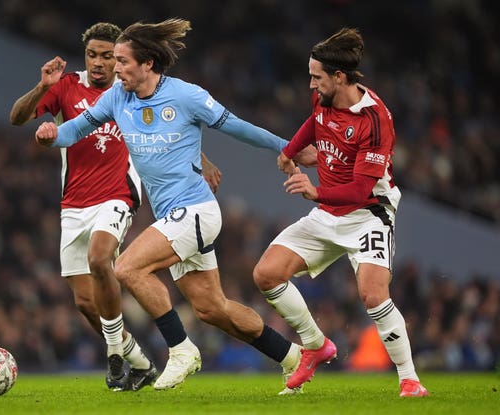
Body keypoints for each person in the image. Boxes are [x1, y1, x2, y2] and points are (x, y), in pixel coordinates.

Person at [34, 18, 316, 393]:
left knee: (127, 267)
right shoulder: (117, 97)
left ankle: (181, 350)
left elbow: (240, 127)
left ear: (148, 63)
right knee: (212, 308)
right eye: (114, 60)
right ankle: (293, 358)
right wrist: (52, 135)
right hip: (172, 217)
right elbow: (75, 129)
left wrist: (290, 146)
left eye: (122, 61)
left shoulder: (185, 95)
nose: (115, 69)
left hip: (197, 210)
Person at [252, 28, 429, 397]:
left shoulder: (375, 120)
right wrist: (290, 150)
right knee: (266, 274)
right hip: (328, 214)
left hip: (368, 214)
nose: (311, 84)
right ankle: (315, 346)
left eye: (317, 76)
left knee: (373, 295)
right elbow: (313, 125)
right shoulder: (324, 100)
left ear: (339, 76)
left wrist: (315, 191)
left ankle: (410, 380)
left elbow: (361, 190)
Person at [9, 22, 165, 391]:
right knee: (84, 302)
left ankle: (113, 358)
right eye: (92, 54)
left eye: (107, 56)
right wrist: (43, 87)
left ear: (119, 58)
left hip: (117, 194)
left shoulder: (131, 90)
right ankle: (140, 363)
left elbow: (167, 127)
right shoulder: (65, 86)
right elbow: (16, 117)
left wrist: (200, 162)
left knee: (100, 259)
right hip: (73, 203)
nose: (98, 62)